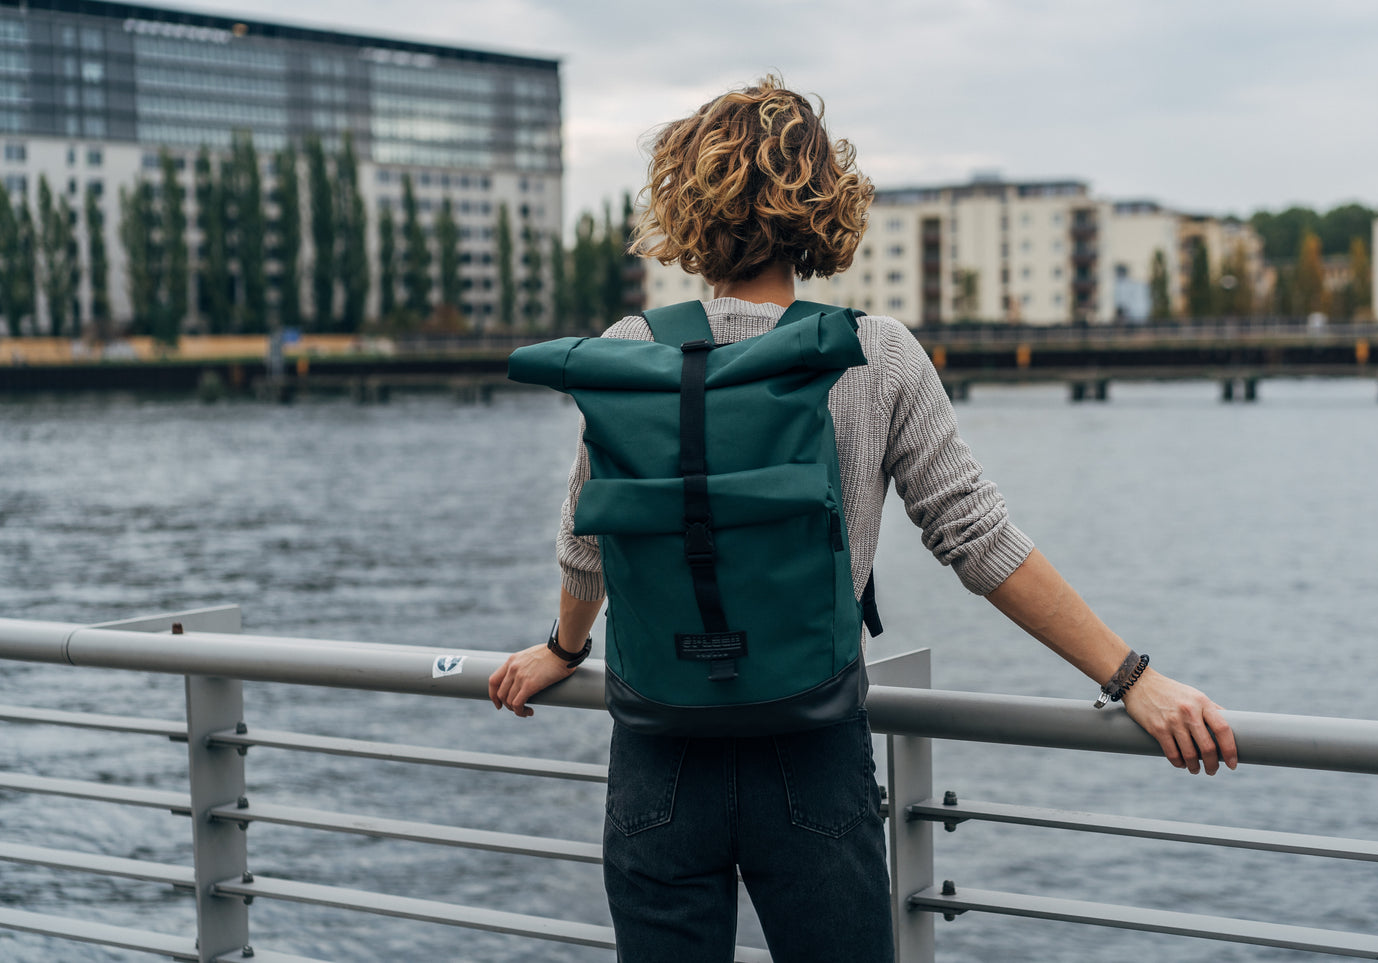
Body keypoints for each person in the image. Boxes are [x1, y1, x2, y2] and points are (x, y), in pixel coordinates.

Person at [488, 75, 1237, 963]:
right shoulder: (871, 353)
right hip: (809, 745)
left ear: (685, 201)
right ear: (822, 204)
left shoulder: (627, 350)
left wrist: (564, 650)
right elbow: (976, 537)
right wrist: (1131, 676)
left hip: (661, 749)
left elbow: (587, 544)